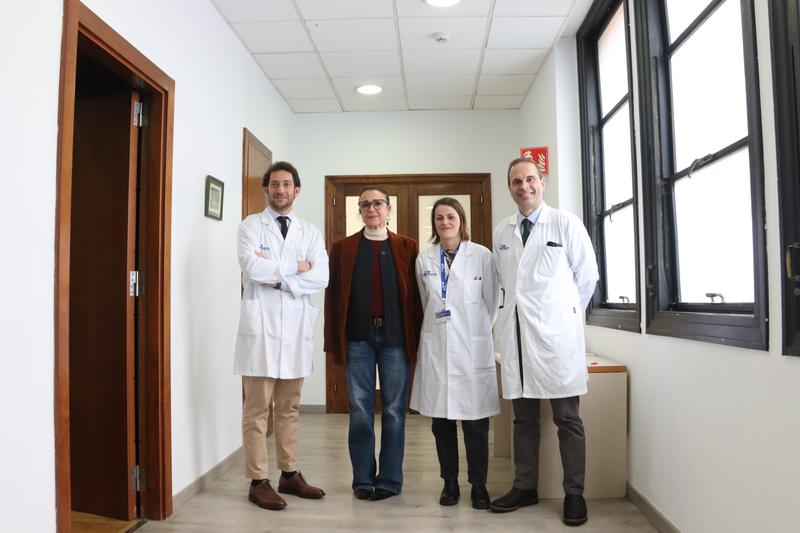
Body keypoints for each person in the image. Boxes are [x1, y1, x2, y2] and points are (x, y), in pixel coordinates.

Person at [490, 158, 599, 526]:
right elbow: (505, 285)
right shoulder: (503, 230)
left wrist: (562, 317)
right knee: (523, 419)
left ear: (542, 182)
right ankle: (525, 487)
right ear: (510, 188)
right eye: (517, 181)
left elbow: (587, 278)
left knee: (567, 418)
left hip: (556, 340)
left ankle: (574, 493)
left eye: (530, 179)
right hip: (517, 339)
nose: (524, 186)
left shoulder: (565, 223)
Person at [233, 161, 329, 511]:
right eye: (274, 184)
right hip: (261, 332)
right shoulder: (250, 226)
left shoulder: (310, 232)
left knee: (289, 408)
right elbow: (252, 268)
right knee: (257, 410)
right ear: (266, 189)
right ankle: (258, 481)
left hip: (296, 332)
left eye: (287, 184)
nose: (280, 190)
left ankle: (289, 474)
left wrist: (277, 276)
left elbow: (322, 278)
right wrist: (296, 267)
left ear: (297, 190)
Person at [324, 187, 423, 501]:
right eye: (365, 205)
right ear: (360, 211)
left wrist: (418, 340)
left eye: (377, 203)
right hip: (357, 339)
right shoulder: (342, 248)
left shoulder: (408, 247)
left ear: (388, 209)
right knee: (360, 411)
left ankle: (390, 479)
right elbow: (334, 298)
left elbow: (416, 298)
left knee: (394, 411)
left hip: (396, 339)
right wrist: (332, 340)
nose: (371, 209)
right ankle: (363, 478)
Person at [409, 197, 500, 510]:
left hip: (472, 349)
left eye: (451, 217)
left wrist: (472, 333)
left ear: (461, 220)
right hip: (438, 347)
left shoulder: (483, 257)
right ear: (434, 224)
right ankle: (449, 483)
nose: (445, 222)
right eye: (439, 218)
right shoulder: (424, 260)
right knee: (441, 423)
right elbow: (425, 304)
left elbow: (492, 305)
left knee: (476, 424)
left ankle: (479, 485)